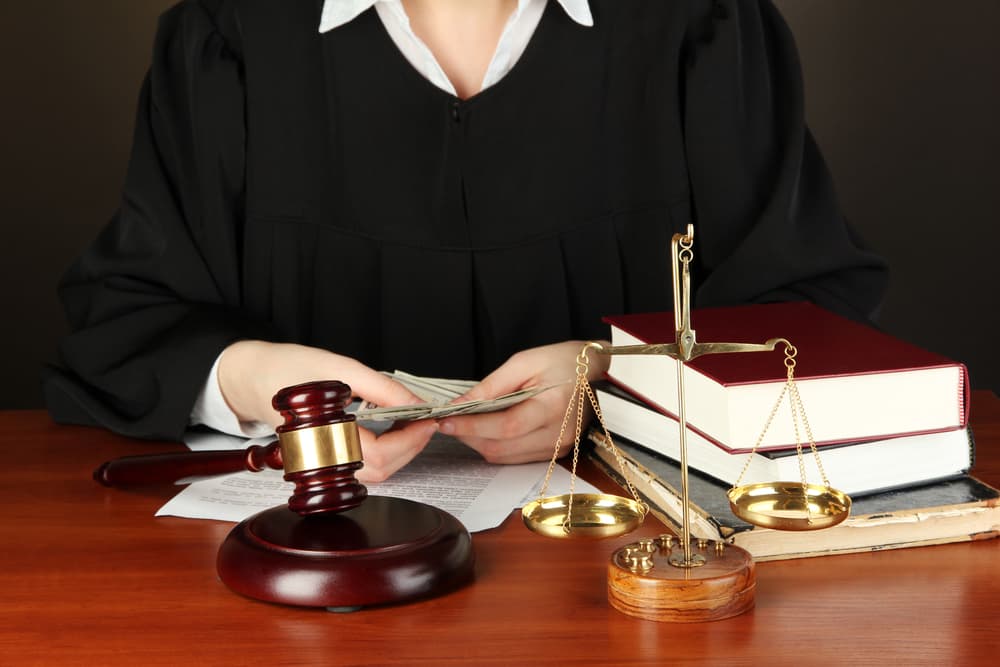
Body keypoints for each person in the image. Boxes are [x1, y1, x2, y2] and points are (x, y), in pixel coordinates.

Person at [44, 0, 887, 482]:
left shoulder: (701, 25)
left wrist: (618, 378)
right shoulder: (229, 34)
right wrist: (251, 378)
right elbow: (126, 320)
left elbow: (808, 312)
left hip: (633, 575)